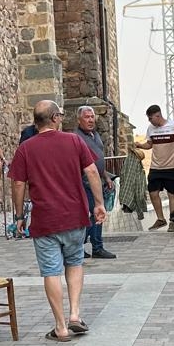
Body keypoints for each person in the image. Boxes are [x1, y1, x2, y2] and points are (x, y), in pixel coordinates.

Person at [9, 100, 106, 342]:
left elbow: (18, 183)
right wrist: (99, 203)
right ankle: (75, 314)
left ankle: (61, 327)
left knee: (51, 271)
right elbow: (92, 171)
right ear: (54, 118)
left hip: (45, 220)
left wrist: (19, 215)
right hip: (74, 215)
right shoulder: (74, 141)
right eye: (60, 115)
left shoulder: (25, 149)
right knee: (75, 262)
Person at [74, 105, 116, 259]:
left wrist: (106, 177)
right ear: (79, 120)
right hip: (86, 183)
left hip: (98, 181)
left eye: (92, 117)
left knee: (95, 214)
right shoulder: (76, 138)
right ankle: (95, 247)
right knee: (95, 214)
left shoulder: (95, 135)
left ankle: (81, 247)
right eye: (87, 117)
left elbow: (97, 160)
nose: (90, 120)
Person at [137, 105, 174, 230]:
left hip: (171, 166)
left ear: (158, 115)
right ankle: (160, 219)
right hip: (155, 167)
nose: (149, 121)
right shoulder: (151, 128)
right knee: (153, 192)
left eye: (151, 118)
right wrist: (139, 145)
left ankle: (173, 221)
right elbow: (149, 144)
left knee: (172, 194)